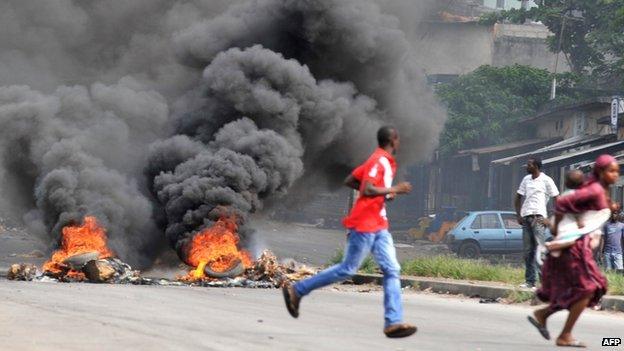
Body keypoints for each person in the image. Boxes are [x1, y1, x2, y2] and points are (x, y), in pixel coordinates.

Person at [282, 126, 417, 338]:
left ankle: (393, 322)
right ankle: (297, 290)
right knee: (347, 269)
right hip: (364, 224)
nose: (399, 144)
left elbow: (351, 180)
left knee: (392, 269)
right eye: (398, 140)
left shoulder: (384, 162)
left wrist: (385, 195)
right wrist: (394, 190)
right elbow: (367, 189)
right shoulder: (378, 160)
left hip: (379, 225)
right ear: (393, 140)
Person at [527, 154, 618, 348]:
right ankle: (564, 334)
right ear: (601, 172)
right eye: (612, 171)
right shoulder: (594, 190)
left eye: (617, 171)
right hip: (573, 248)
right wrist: (558, 228)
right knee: (588, 288)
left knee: (588, 288)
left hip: (580, 246)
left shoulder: (599, 190)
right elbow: (562, 204)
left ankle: (544, 315)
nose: (616, 175)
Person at [514, 157, 559, 289]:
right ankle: (530, 281)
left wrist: (550, 218)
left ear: (536, 166)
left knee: (540, 250)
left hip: (538, 218)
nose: (527, 166)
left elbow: (557, 199)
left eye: (529, 164)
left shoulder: (546, 180)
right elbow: (518, 197)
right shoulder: (526, 179)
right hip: (526, 217)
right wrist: (518, 215)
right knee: (528, 251)